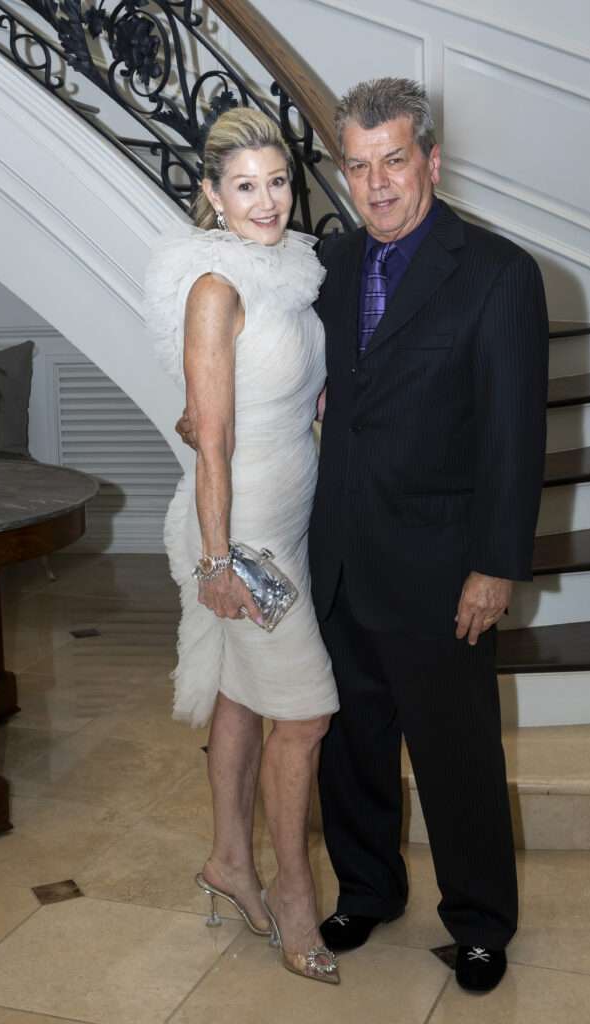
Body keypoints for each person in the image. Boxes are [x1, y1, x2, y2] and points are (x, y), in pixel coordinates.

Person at [308, 78, 549, 993]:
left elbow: (511, 435)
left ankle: (480, 920)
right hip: (336, 554)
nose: (375, 186)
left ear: (430, 162)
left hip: (443, 564)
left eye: (394, 162)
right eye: (359, 167)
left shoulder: (495, 273)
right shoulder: (327, 266)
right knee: (350, 746)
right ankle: (365, 890)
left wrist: (494, 565)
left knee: (456, 757)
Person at [145, 107, 340, 985]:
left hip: (289, 516)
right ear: (212, 196)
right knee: (303, 713)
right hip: (243, 534)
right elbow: (210, 440)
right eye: (245, 186)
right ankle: (295, 894)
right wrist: (218, 562)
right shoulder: (214, 287)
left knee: (242, 697)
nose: (267, 202)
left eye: (278, 182)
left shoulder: (288, 271)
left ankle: (230, 859)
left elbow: (295, 389)